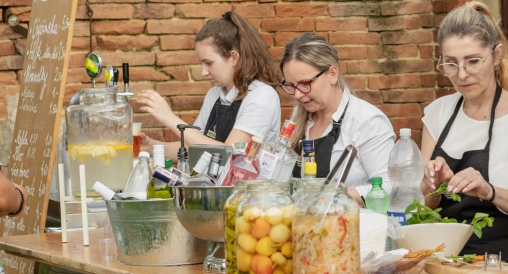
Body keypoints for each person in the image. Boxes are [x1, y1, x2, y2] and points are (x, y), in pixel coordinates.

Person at [420, 0, 508, 267]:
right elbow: (425, 206)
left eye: (473, 61)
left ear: (497, 55)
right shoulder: (437, 114)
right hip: (447, 265)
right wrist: (433, 185)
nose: (462, 74)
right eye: (451, 64)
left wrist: (489, 191)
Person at [137, 11, 282, 155]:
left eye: (209, 63)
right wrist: (151, 147)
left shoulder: (261, 96)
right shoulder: (215, 94)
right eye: (201, 63)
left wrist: (169, 118)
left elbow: (231, 152)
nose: (203, 72)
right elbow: (193, 147)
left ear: (234, 57)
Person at [279, 34, 395, 205]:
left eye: (305, 84)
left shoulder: (367, 120)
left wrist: (333, 198)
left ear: (332, 74)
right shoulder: (299, 116)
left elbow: (390, 186)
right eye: (291, 86)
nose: (297, 94)